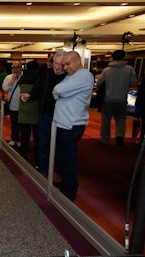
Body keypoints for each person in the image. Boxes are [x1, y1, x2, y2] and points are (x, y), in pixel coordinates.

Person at [52, 50, 94, 201]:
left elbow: (58, 90)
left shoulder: (84, 75)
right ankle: (65, 185)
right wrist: (60, 93)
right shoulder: (72, 76)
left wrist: (61, 93)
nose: (65, 67)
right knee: (62, 158)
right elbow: (56, 92)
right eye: (63, 65)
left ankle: (69, 193)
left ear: (78, 61)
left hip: (71, 124)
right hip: (65, 123)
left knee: (69, 160)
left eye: (68, 64)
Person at [20, 50, 66, 176]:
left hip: (63, 117)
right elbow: (38, 88)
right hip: (46, 115)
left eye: (60, 64)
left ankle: (60, 171)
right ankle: (42, 169)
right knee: (43, 143)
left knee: (61, 146)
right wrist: (30, 95)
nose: (57, 66)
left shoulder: (69, 77)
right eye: (55, 63)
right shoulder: (47, 73)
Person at [96, 50, 137, 147]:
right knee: (121, 118)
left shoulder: (107, 70)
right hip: (122, 99)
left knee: (106, 119)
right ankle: (119, 136)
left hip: (108, 99)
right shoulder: (129, 69)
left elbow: (99, 83)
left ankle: (105, 139)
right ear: (123, 57)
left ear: (112, 57)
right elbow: (133, 83)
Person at [17, 60, 40, 161]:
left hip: (23, 108)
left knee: (24, 135)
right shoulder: (39, 77)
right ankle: (38, 158)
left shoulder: (23, 77)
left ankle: (23, 154)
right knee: (38, 136)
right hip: (35, 109)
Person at [2, 60, 23, 147]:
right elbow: (5, 88)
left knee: (22, 125)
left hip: (23, 105)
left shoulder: (25, 76)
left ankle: (21, 140)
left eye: (17, 67)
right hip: (13, 104)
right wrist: (13, 80)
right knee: (14, 124)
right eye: (14, 67)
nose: (15, 69)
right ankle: (14, 139)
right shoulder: (8, 77)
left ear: (21, 67)